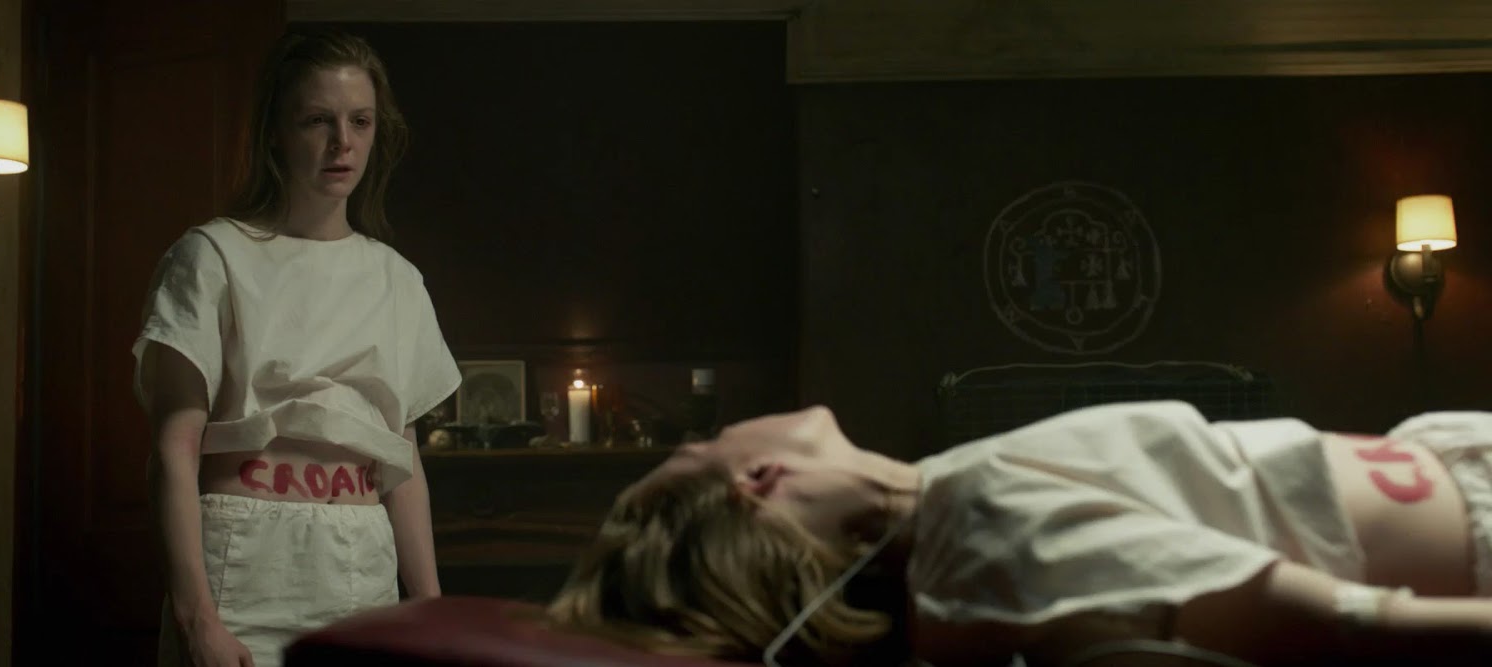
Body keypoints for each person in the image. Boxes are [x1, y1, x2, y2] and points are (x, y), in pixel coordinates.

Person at [548, 401, 1492, 666]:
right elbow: (1349, 621)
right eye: (701, 445)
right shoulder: (984, 535)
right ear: (759, 480)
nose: (714, 430)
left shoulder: (951, 506)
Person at [134, 31, 460, 667]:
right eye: (317, 120)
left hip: (362, 562)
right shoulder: (212, 256)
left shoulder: (396, 280)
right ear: (276, 134)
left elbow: (404, 464)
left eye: (360, 121)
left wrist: (431, 612)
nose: (342, 142)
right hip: (244, 562)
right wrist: (197, 618)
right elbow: (173, 450)